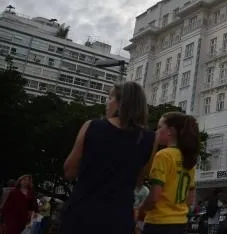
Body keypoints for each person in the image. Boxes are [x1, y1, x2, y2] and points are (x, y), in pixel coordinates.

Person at [58, 82, 156, 234]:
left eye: (110, 97)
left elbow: (69, 170)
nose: (106, 103)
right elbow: (139, 180)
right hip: (119, 217)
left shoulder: (92, 126)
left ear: (121, 103)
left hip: (83, 211)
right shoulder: (149, 138)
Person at [140, 112, 200, 234]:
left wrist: (140, 211)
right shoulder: (188, 160)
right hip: (180, 222)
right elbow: (190, 199)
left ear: (170, 131)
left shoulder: (163, 155)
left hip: (159, 222)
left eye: (159, 127)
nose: (156, 131)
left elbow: (154, 196)